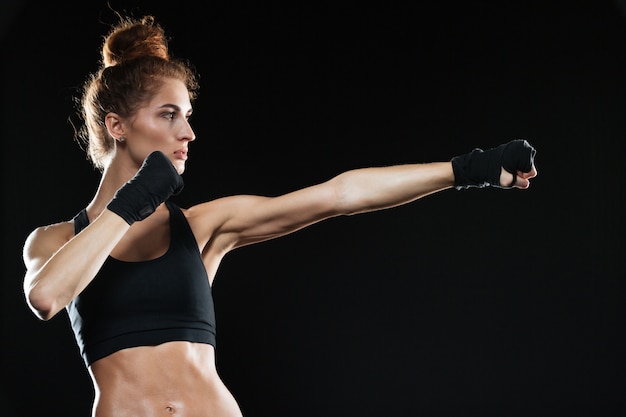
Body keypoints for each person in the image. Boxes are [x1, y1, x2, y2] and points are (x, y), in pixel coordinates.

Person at [21, 14, 537, 417]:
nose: (188, 134)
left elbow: (339, 195)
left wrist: (470, 169)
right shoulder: (52, 242)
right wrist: (131, 201)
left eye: (188, 117)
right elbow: (46, 297)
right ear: (117, 125)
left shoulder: (203, 227)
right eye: (168, 115)